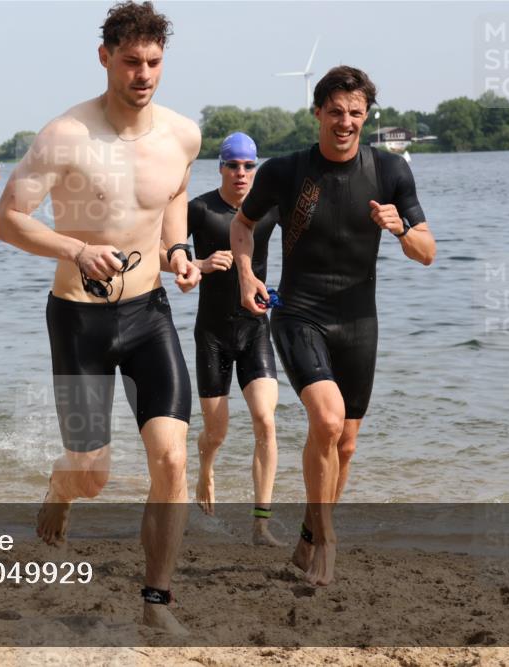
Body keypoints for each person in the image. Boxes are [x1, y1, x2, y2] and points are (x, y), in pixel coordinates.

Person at [0, 1, 200, 634]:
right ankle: (61, 487)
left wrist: (179, 253)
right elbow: (7, 220)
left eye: (154, 63)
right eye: (131, 61)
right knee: (93, 474)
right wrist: (76, 248)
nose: (144, 74)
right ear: (105, 57)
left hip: (149, 316)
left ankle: (156, 602)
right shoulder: (66, 136)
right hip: (79, 320)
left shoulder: (183, 135)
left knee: (171, 462)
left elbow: (174, 197)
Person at [232, 66, 436, 586]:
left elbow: (427, 252)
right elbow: (242, 223)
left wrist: (399, 229)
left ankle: (306, 536)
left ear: (366, 117)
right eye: (336, 111)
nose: (345, 122)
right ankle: (327, 541)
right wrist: (246, 276)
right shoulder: (285, 170)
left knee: (344, 444)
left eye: (356, 113)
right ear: (318, 112)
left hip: (358, 320)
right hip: (299, 313)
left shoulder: (390, 171)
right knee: (325, 421)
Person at [187, 132, 282, 546]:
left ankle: (260, 524)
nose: (241, 173)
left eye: (248, 166)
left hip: (255, 330)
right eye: (233, 165)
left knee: (265, 420)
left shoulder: (269, 209)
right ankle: (205, 465)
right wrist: (201, 264)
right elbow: (161, 253)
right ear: (221, 167)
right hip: (212, 334)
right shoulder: (200, 209)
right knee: (218, 432)